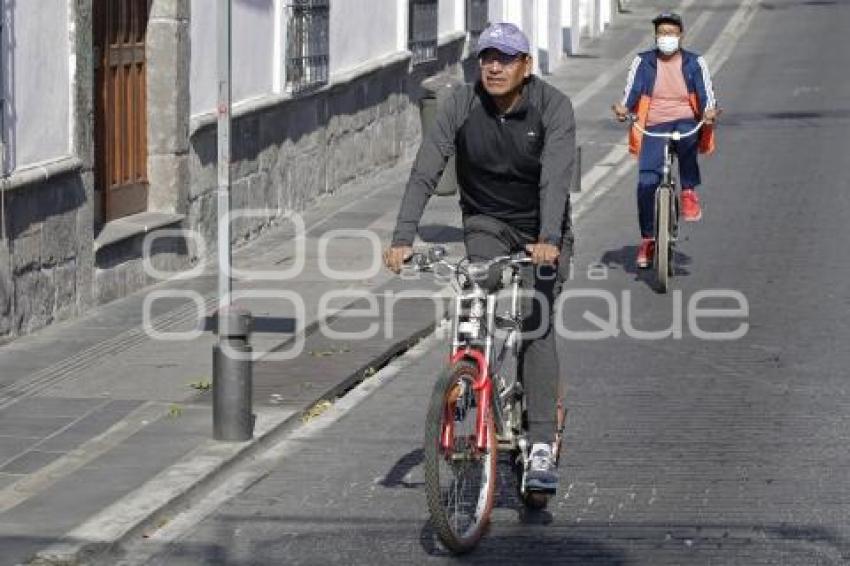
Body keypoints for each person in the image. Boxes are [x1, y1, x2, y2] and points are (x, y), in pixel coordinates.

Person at [383, 22, 576, 493]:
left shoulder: (553, 106)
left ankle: (541, 444)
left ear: (525, 67)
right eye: (487, 57)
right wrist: (402, 236)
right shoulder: (461, 104)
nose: (494, 66)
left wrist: (549, 237)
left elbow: (555, 179)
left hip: (541, 230)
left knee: (536, 320)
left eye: (505, 59)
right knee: (475, 295)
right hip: (486, 222)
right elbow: (426, 170)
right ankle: (470, 375)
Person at [613, 12, 720, 268]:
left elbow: (707, 94)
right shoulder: (643, 61)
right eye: (662, 33)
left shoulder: (695, 62)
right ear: (655, 36)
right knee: (646, 183)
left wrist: (709, 112)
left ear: (681, 35)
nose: (666, 37)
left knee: (688, 143)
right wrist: (624, 109)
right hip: (653, 123)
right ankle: (649, 239)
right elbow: (632, 91)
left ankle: (688, 192)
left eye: (671, 33)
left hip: (685, 119)